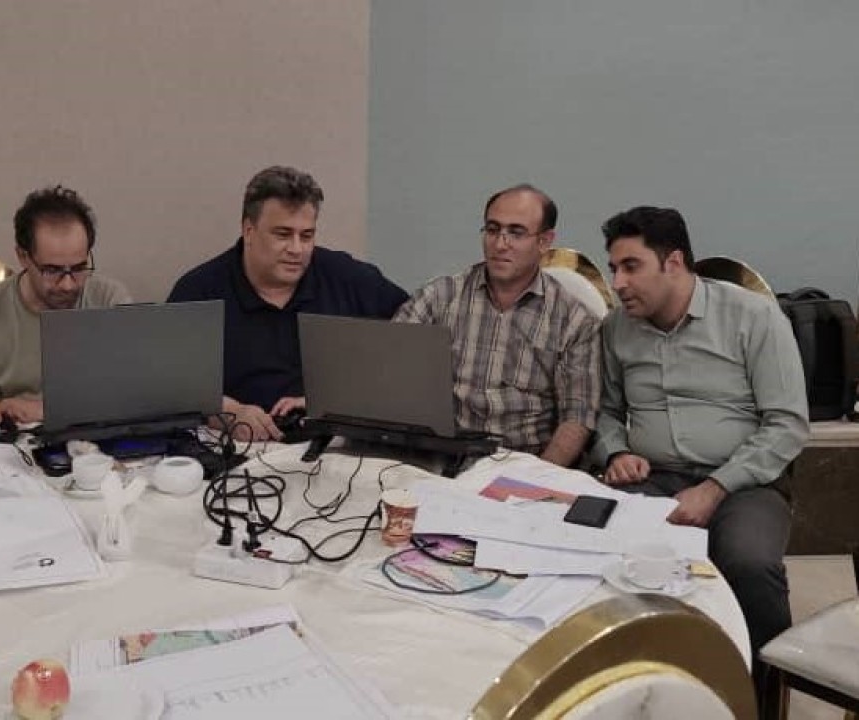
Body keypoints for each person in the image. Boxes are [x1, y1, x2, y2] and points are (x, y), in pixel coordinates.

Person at [593, 205, 808, 656]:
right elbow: (608, 412)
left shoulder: (753, 317)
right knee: (603, 550)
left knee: (748, 563)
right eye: (614, 269)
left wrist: (714, 488)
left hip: (744, 483)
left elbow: (787, 424)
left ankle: (763, 685)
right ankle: (642, 676)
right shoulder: (616, 328)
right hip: (651, 479)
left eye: (631, 266)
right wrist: (615, 453)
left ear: (673, 262)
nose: (618, 283)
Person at [167, 166, 409, 440]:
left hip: (334, 443)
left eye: (306, 236)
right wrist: (227, 412)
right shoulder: (199, 291)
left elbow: (414, 347)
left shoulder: (349, 278)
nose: (297, 249)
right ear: (248, 230)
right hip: (237, 446)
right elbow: (167, 384)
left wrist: (333, 402)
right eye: (283, 234)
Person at [393, 184, 601, 467]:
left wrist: (537, 478)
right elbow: (390, 373)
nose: (500, 244)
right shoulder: (440, 297)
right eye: (492, 230)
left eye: (516, 233)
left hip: (523, 464)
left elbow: (577, 417)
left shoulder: (574, 320)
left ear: (544, 242)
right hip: (439, 457)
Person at [0, 185, 132, 438]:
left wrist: (43, 410)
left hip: (98, 439)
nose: (68, 285)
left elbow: (132, 392)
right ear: (23, 257)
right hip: (20, 445)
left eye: (79, 268)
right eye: (52, 271)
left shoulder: (109, 299)